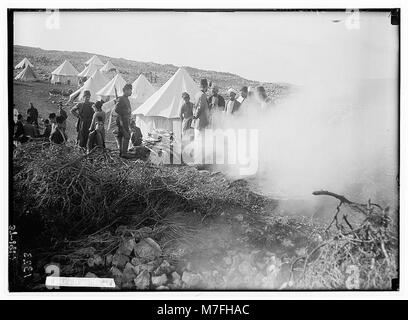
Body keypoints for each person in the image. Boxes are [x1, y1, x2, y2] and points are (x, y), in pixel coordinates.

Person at [114, 83, 133, 158]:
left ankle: (121, 152)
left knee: (121, 136)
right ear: (125, 90)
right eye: (129, 90)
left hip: (125, 120)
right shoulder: (121, 98)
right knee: (126, 136)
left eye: (131, 90)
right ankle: (124, 153)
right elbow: (117, 109)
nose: (131, 92)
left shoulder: (126, 99)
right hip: (121, 120)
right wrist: (126, 112)